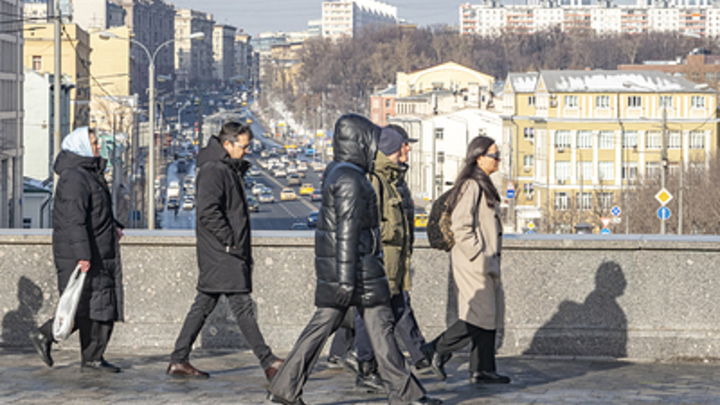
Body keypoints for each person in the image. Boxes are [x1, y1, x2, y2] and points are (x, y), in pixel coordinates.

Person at [268, 114, 441, 405]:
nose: (375, 148)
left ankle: (405, 394)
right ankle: (284, 390)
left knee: (379, 328)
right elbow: (347, 234)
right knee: (328, 329)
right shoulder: (351, 179)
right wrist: (347, 282)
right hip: (356, 271)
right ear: (360, 142)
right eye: (371, 141)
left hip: (352, 270)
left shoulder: (340, 172)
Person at [167, 122, 282, 380]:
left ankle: (178, 360)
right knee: (242, 306)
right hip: (222, 252)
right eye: (243, 146)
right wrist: (230, 241)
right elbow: (208, 211)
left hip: (221, 250)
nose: (247, 151)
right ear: (227, 144)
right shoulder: (214, 170)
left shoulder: (224, 167)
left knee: (203, 305)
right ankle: (268, 361)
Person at [29, 127, 125, 373]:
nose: (98, 147)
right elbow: (74, 220)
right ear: (80, 147)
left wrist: (113, 226)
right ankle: (50, 337)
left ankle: (91, 357)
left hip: (97, 248)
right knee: (87, 307)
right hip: (84, 253)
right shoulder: (75, 177)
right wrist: (83, 254)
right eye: (93, 143)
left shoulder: (87, 174)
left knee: (96, 306)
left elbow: (96, 212)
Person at [423, 135, 510, 385]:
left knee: (487, 315)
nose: (498, 159)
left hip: (484, 261)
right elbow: (461, 225)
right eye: (494, 155)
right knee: (478, 316)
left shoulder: (482, 184)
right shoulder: (471, 185)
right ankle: (435, 349)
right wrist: (478, 253)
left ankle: (482, 369)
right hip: (474, 262)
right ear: (479, 157)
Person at [352, 126, 432, 392]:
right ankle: (369, 367)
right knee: (374, 315)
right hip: (382, 261)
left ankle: (388, 369)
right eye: (404, 145)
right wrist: (392, 233)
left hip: (394, 260)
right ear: (392, 149)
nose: (408, 149)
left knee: (391, 311)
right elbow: (369, 222)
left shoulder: (392, 177)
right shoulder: (377, 178)